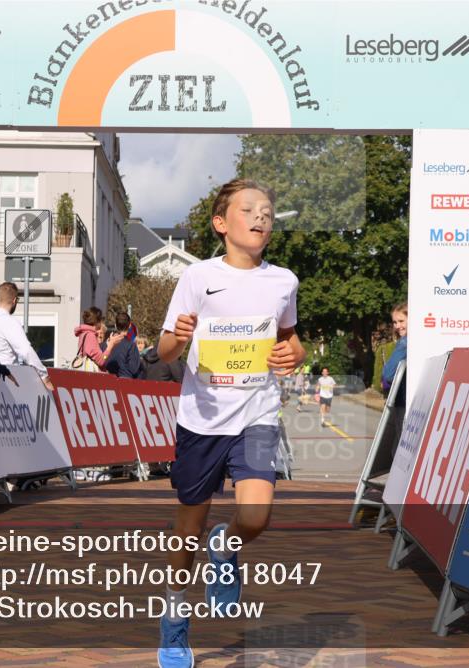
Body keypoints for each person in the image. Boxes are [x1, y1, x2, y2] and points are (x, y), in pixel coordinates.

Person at [155, 178, 305, 667]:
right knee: (189, 525)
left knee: (257, 516)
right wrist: (178, 337)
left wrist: (291, 354)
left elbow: (292, 341)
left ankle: (229, 543)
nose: (261, 217)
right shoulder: (197, 278)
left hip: (258, 414)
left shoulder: (284, 281)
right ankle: (175, 626)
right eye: (249, 210)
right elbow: (164, 351)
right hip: (202, 417)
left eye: (267, 210)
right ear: (222, 224)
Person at [0, 282, 54, 391]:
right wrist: (44, 376)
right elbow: (26, 351)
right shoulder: (8, 321)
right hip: (4, 383)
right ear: (14, 300)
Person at [104, 311, 143, 378]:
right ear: (130, 325)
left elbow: (102, 361)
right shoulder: (131, 346)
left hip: (106, 382)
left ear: (115, 325)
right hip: (125, 383)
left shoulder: (105, 344)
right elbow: (133, 369)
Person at [381, 302, 408, 393]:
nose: (397, 326)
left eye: (401, 321)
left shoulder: (405, 342)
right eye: (395, 322)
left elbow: (388, 375)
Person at [73, 307, 108, 371]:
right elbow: (101, 361)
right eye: (100, 320)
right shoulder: (90, 336)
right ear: (96, 322)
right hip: (90, 374)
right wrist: (110, 346)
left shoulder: (84, 333)